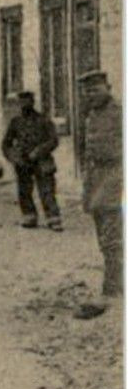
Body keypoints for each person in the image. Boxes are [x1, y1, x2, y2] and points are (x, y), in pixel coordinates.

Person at [80, 72, 122, 298]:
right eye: (87, 92)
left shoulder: (120, 113)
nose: (91, 95)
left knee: (113, 236)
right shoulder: (91, 116)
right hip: (97, 182)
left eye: (96, 90)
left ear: (108, 87)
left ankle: (113, 287)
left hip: (116, 180)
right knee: (104, 238)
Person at [1, 90, 62, 230]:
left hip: (42, 160)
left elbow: (54, 140)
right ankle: (29, 216)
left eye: (27, 101)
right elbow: (6, 144)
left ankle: (53, 218)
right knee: (24, 190)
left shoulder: (44, 120)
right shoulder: (16, 122)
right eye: (21, 102)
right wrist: (14, 157)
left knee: (47, 189)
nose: (24, 104)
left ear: (33, 102)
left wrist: (39, 151)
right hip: (23, 161)